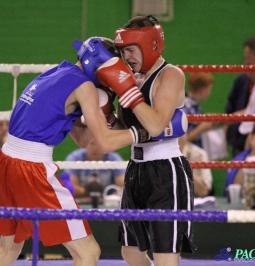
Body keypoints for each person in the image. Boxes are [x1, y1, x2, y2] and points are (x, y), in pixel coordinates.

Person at [0, 37, 150, 266]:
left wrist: (103, 112)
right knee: (88, 252)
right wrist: (143, 133)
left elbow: (82, 140)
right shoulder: (85, 87)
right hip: (32, 169)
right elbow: (105, 143)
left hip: (8, 160)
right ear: (100, 64)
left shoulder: (57, 72)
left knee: (8, 249)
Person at [102, 15, 196, 266]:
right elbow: (127, 127)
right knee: (130, 252)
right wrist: (107, 115)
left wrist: (127, 90)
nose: (127, 57)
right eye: (123, 51)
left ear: (150, 45)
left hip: (166, 171)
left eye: (131, 50)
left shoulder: (170, 75)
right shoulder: (130, 76)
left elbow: (155, 124)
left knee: (165, 257)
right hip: (136, 169)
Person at [225, 72, 255, 157]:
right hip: (239, 138)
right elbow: (230, 111)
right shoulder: (242, 80)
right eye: (247, 64)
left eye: (250, 64)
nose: (249, 70)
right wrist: (226, 136)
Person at [183, 72, 216, 148]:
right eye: (209, 89)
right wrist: (202, 127)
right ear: (202, 90)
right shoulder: (186, 107)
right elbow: (182, 139)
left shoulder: (194, 104)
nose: (209, 93)